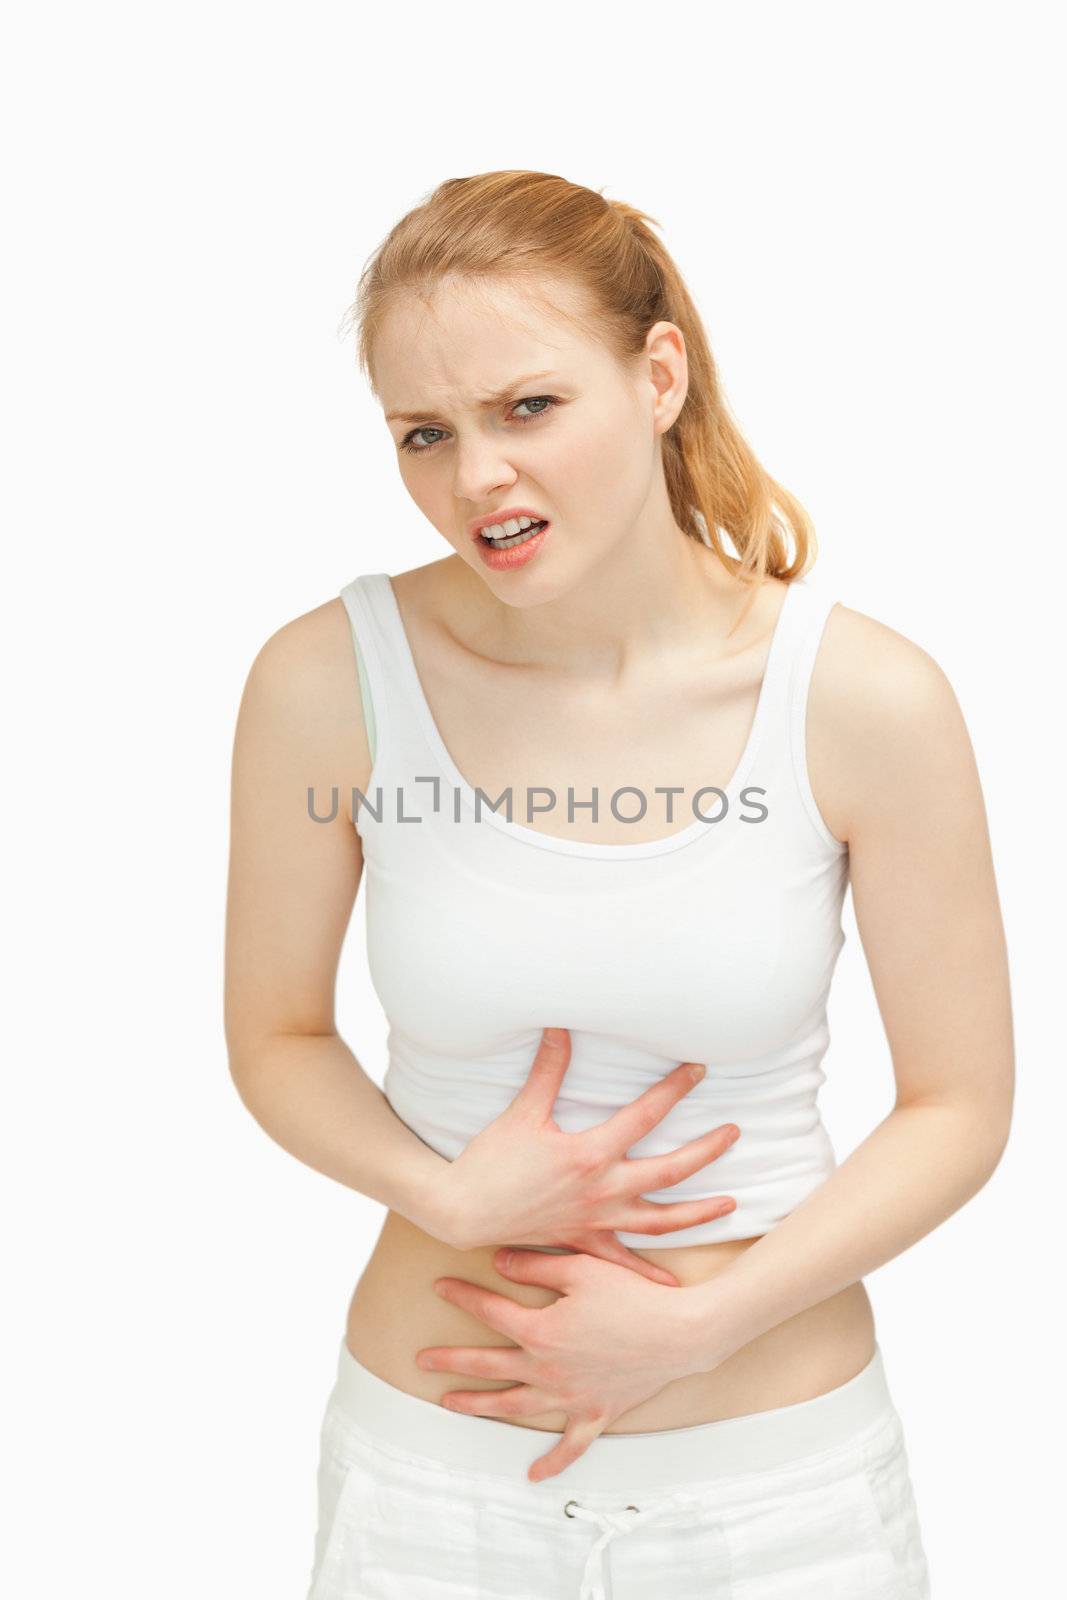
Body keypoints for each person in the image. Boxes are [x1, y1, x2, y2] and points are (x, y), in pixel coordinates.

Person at [224, 170, 1014, 1600]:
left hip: (783, 1499)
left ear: (659, 376)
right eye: (426, 433)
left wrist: (697, 1328)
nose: (476, 480)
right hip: (432, 1496)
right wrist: (442, 1192)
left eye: (528, 408)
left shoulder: (864, 697)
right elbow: (275, 1035)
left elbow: (961, 1107)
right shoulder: (325, 680)